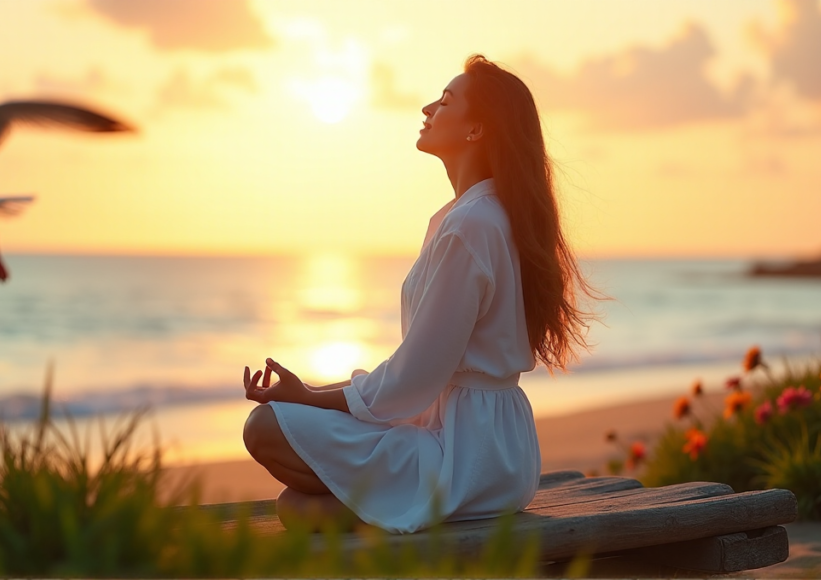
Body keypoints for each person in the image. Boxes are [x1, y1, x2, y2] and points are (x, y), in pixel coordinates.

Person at [242, 54, 595, 534]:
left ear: (476, 130)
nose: (428, 108)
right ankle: (398, 504)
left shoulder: (471, 225)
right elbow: (419, 372)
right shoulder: (478, 216)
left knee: (264, 427)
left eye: (445, 101)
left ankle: (412, 502)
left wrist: (311, 398)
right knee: (296, 507)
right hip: (498, 450)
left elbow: (414, 377)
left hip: (465, 455)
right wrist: (310, 393)